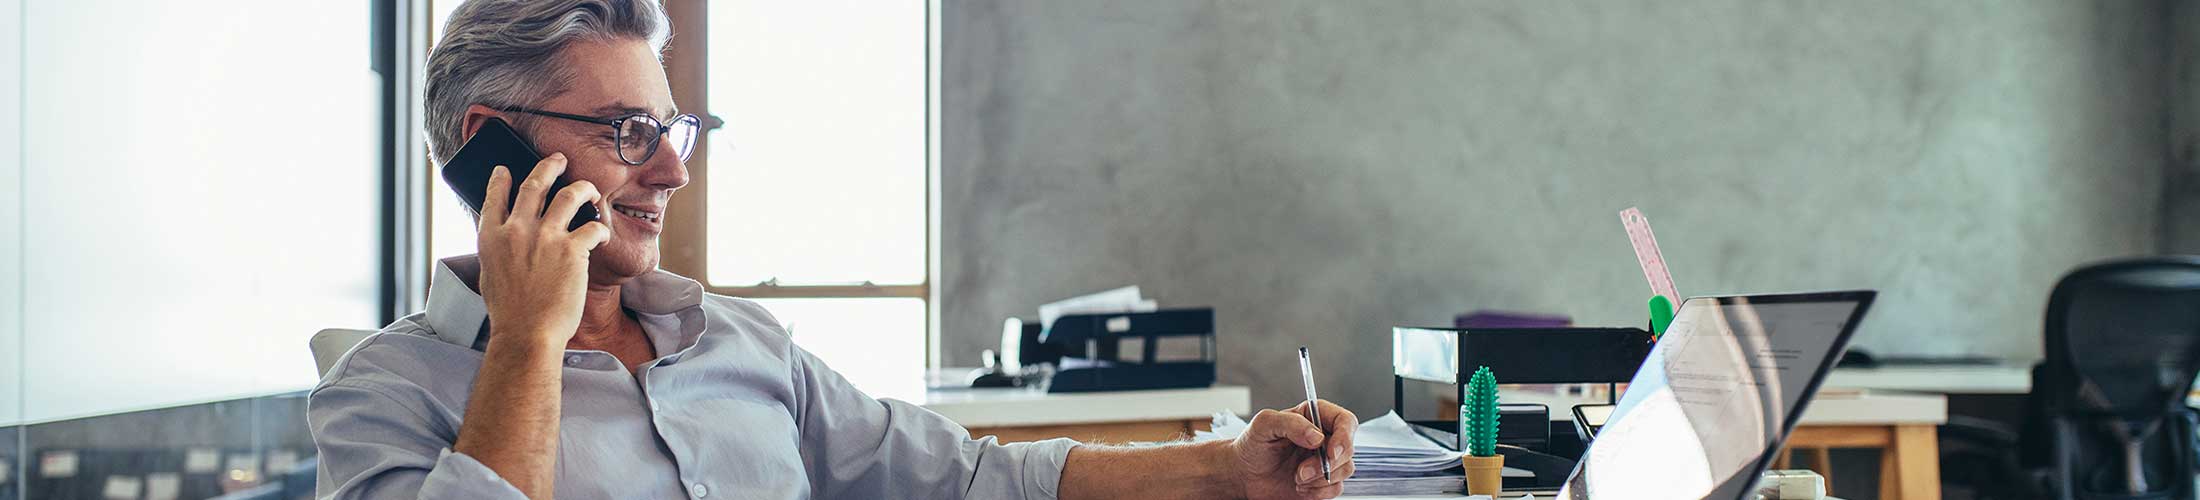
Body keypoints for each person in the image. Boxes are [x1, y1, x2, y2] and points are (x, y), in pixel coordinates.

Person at [307, 1, 1358, 499]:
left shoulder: (737, 342)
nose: (671, 173)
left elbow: (975, 475)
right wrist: (529, 341)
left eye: (673, 133)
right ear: (494, 149)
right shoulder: (384, 391)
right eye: (629, 133)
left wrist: (1226, 467)